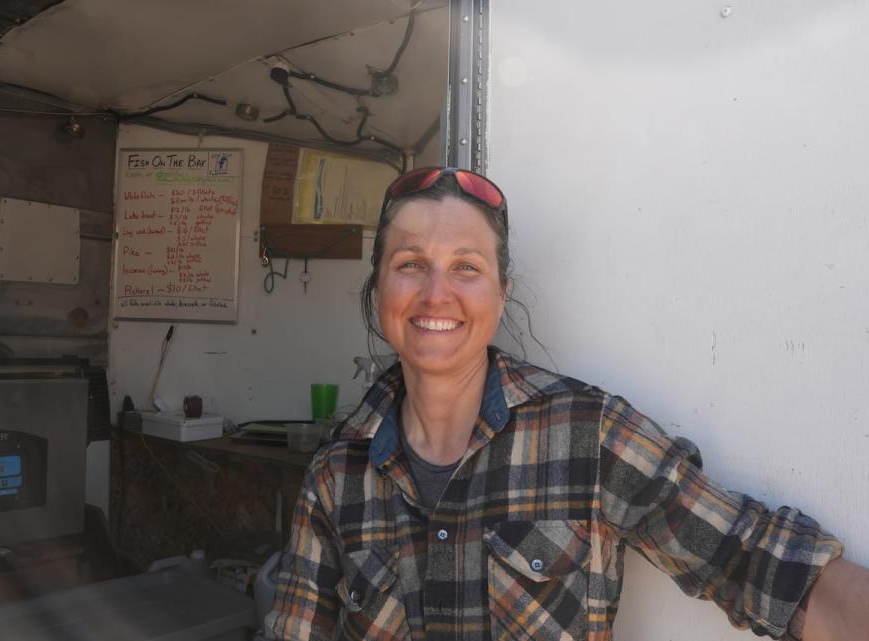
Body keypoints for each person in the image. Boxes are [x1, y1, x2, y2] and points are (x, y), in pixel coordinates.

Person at [265, 167, 869, 641]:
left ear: (501, 295)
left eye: (466, 267)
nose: (436, 292)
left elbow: (752, 560)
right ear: (379, 292)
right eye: (410, 264)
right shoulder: (336, 477)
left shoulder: (588, 434)